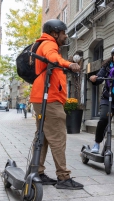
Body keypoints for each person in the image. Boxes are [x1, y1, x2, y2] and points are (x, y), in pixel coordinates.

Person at [30, 19, 83, 190]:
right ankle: (63, 177)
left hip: (42, 98)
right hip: (50, 100)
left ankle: (37, 172)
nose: (66, 35)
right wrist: (70, 64)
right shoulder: (49, 44)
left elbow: (53, 61)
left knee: (43, 137)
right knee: (58, 138)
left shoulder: (45, 44)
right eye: (64, 32)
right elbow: (52, 58)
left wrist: (64, 64)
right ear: (55, 33)